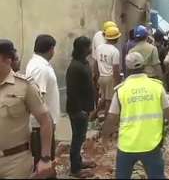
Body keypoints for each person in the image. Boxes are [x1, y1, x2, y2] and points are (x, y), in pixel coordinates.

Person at [101, 52, 169, 179]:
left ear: (127, 68)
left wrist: (105, 137)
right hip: (151, 144)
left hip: (127, 145)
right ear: (144, 66)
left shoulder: (121, 90)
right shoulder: (156, 87)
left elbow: (112, 117)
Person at [0, 39, 53, 178]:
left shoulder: (25, 86)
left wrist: (45, 158)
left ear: (7, 59)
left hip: (15, 162)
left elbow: (45, 121)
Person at [26, 34, 59, 168]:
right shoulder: (40, 68)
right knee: (43, 164)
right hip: (41, 127)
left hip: (44, 125)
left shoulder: (39, 64)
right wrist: (48, 122)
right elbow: (39, 98)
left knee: (46, 165)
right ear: (51, 49)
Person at [66, 37, 97, 178]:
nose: (91, 49)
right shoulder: (75, 67)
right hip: (78, 110)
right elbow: (72, 91)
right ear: (83, 48)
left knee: (81, 136)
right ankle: (75, 169)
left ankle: (79, 161)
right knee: (77, 138)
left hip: (84, 108)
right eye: (89, 46)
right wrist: (80, 110)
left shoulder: (84, 62)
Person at [94, 26, 122, 119]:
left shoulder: (99, 48)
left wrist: (97, 77)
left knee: (102, 99)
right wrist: (118, 84)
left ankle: (93, 116)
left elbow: (97, 63)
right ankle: (106, 120)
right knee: (109, 101)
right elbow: (116, 70)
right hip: (110, 78)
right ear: (115, 38)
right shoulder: (115, 51)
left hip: (101, 77)